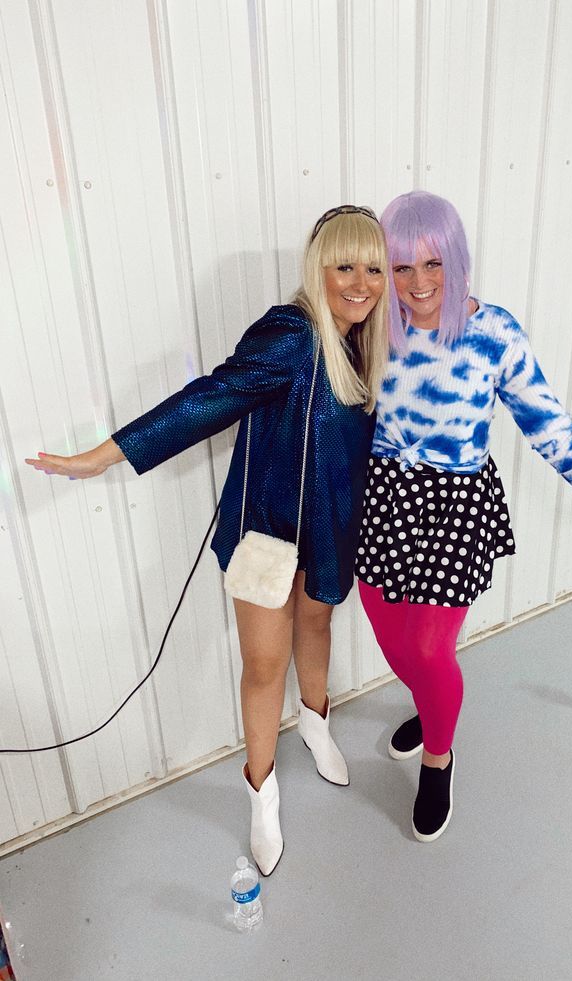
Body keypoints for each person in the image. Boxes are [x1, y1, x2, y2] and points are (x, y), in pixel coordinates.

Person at [25, 205, 389, 876]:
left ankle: (315, 724)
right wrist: (105, 455)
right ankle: (261, 790)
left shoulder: (368, 344)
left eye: (372, 267)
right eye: (344, 266)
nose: (360, 282)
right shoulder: (292, 333)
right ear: (319, 268)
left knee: (318, 628)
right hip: (268, 536)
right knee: (262, 664)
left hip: (331, 531)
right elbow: (209, 396)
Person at [355, 191, 572, 843]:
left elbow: (545, 420)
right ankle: (429, 705)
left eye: (432, 264)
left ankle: (439, 757)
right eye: (401, 267)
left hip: (454, 506)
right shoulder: (374, 327)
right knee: (394, 644)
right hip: (383, 500)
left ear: (457, 260)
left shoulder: (493, 332)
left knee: (427, 645)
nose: (418, 284)